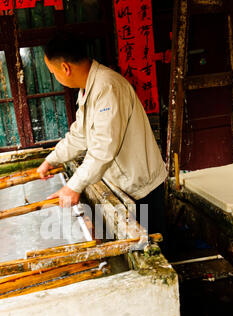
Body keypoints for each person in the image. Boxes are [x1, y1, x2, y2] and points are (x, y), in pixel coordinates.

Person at [37, 32, 167, 235]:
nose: (55, 77)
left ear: (65, 68)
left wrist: (74, 186)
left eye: (52, 72)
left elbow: (103, 148)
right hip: (124, 184)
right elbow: (79, 136)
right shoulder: (89, 89)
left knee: (151, 244)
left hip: (142, 187)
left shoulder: (107, 87)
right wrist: (51, 160)